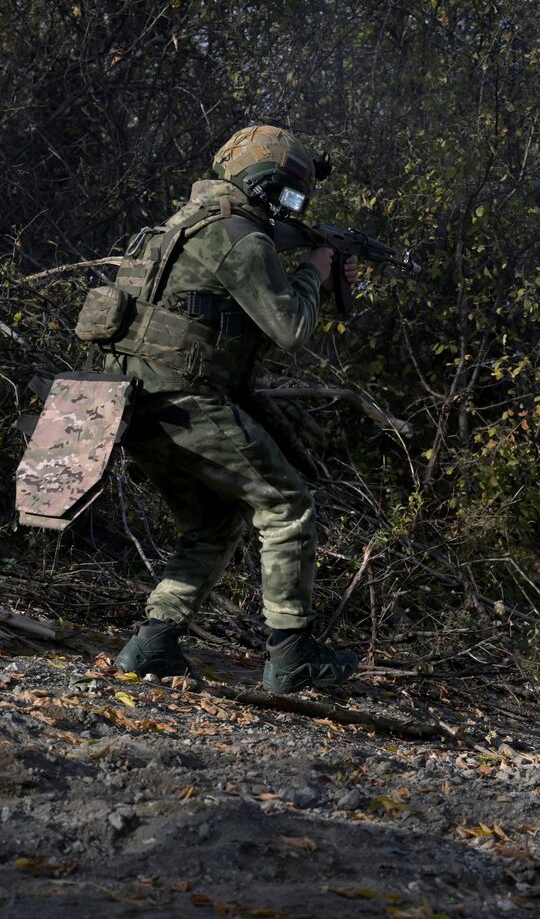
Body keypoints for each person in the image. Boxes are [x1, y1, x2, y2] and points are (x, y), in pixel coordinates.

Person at [100, 124, 359, 692]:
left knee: (214, 522)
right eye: (291, 195)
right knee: (286, 505)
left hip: (131, 405)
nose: (295, 206)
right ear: (265, 185)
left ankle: (154, 643)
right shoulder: (242, 236)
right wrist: (315, 273)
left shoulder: (177, 226)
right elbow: (290, 329)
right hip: (185, 399)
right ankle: (290, 653)